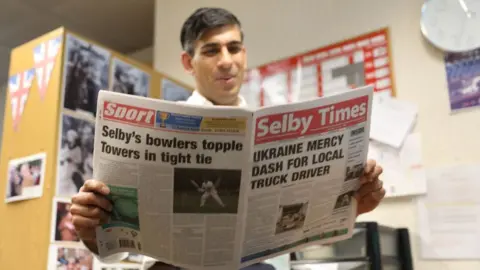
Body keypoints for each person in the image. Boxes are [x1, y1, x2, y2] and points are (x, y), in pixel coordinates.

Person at [70, 7, 385, 270]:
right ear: (187, 63)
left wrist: (352, 207)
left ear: (244, 54)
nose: (225, 61)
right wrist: (91, 229)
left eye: (233, 48)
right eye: (210, 50)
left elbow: (306, 233)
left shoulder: (272, 132)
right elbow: (112, 249)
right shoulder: (155, 130)